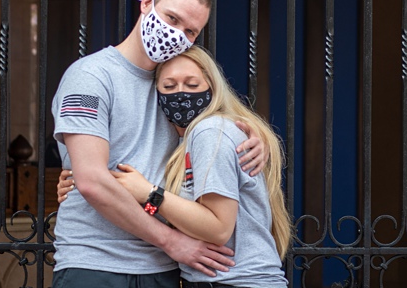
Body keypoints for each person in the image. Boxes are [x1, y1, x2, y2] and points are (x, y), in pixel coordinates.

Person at [51, 0, 267, 288]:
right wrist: (171, 241)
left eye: (191, 31)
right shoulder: (91, 76)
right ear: (147, 2)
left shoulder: (175, 87)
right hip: (97, 265)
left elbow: (216, 123)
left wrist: (254, 134)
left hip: (163, 270)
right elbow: (92, 182)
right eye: (172, 18)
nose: (177, 34)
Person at [107, 46, 292, 287]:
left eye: (192, 85)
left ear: (212, 89)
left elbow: (218, 229)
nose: (181, 94)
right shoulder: (183, 142)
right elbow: (182, 215)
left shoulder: (209, 131)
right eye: (169, 86)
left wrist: (150, 193)